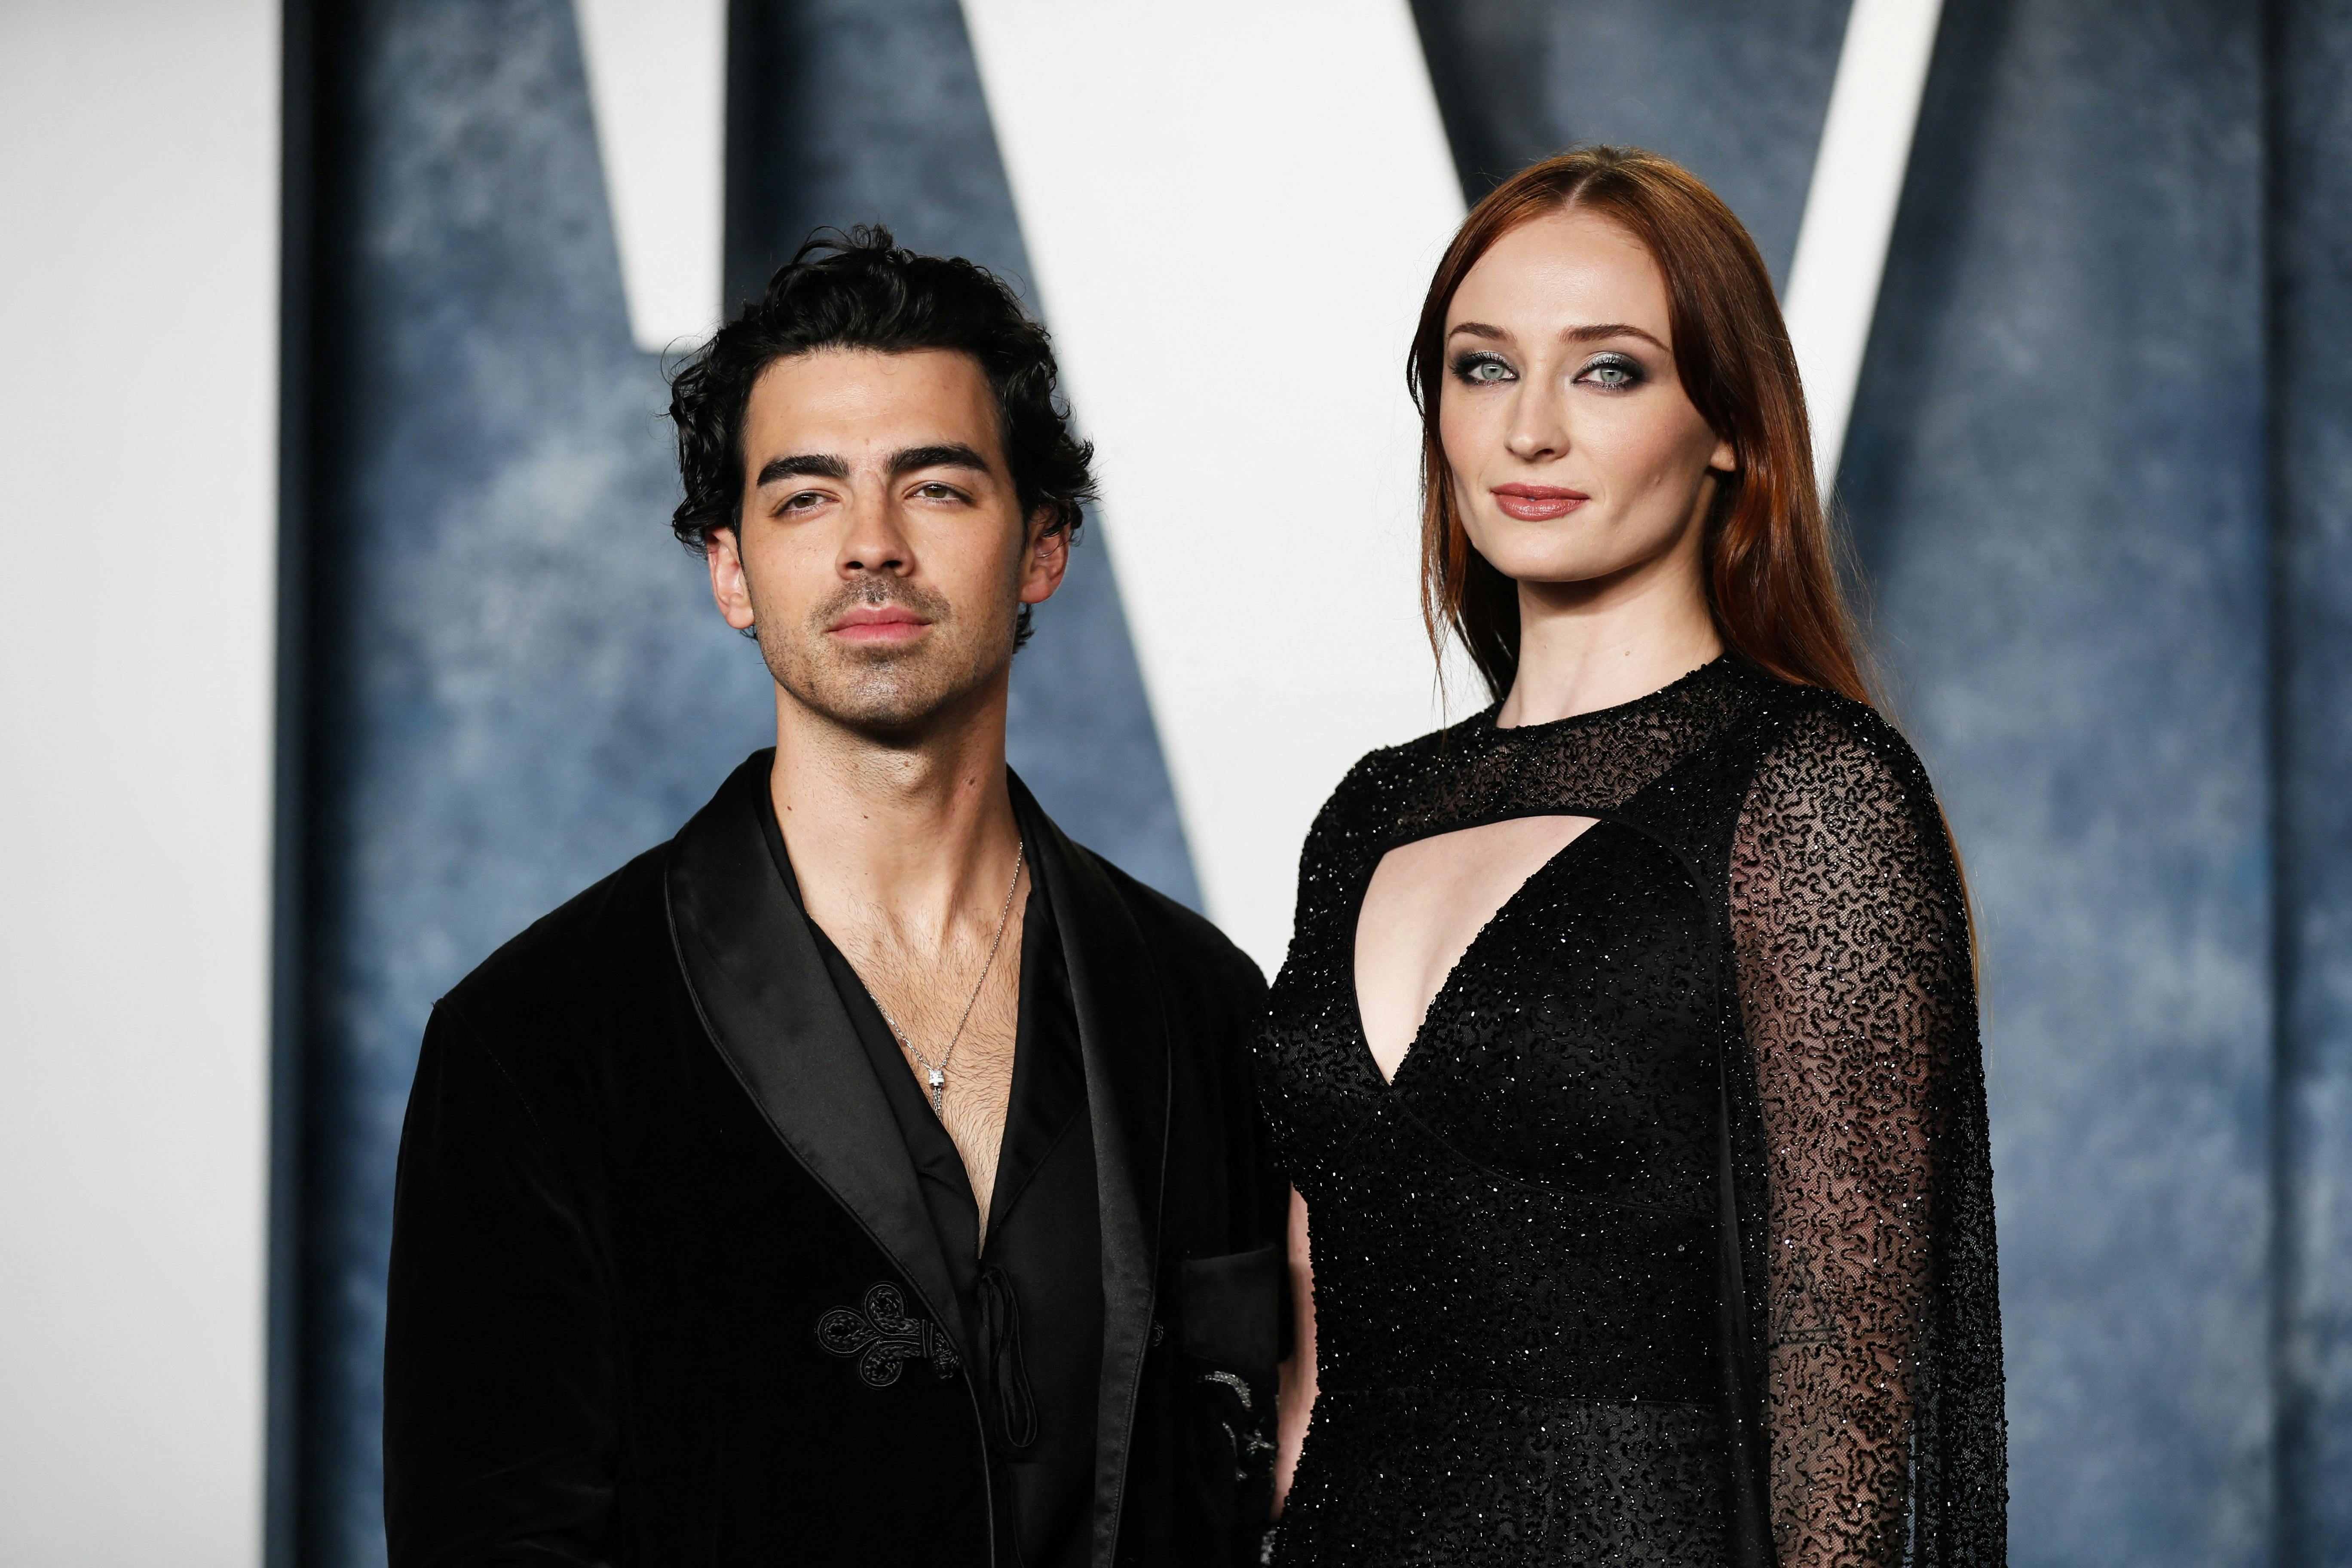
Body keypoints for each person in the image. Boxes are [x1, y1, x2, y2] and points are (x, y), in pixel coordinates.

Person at [384, 229, 1287, 1568]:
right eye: (807, 498)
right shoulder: (534, 1042)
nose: (874, 546)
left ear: (1042, 547)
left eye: (937, 488)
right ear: (730, 569)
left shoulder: (1205, 1006)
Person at [1257, 148, 2005, 1566]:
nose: (1529, 429)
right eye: (1484, 369)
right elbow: (1311, 1369)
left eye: (1607, 372)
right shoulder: (1370, 814)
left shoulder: (1810, 793)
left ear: (1729, 425)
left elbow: (1846, 1410)